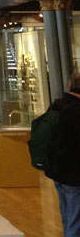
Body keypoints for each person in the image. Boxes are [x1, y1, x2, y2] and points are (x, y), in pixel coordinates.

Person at [46, 72, 80, 237]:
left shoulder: (56, 105)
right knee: (75, 219)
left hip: (58, 169)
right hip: (73, 173)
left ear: (69, 87)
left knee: (67, 215)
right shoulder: (76, 111)